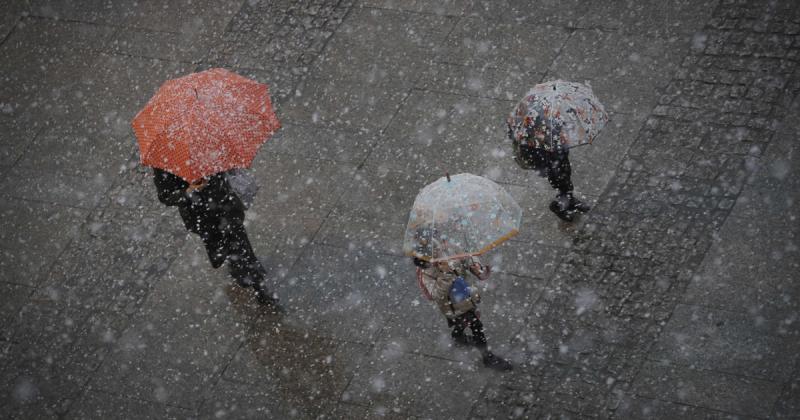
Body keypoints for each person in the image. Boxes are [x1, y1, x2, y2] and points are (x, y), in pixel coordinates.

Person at [153, 168, 277, 305]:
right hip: (201, 216)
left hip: (224, 203)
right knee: (223, 246)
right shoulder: (165, 166)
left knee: (241, 244)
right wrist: (189, 191)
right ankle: (237, 266)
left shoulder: (204, 147)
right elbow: (165, 195)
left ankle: (259, 284)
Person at [414, 256, 512, 370]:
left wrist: (475, 266)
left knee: (463, 321)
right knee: (476, 326)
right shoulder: (426, 274)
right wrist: (446, 273)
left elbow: (466, 256)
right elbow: (436, 295)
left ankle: (458, 336)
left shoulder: (446, 253)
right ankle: (488, 357)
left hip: (465, 296)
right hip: (453, 306)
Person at [508, 115, 591, 222]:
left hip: (554, 152)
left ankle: (568, 198)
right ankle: (561, 204)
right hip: (548, 156)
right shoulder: (529, 128)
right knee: (559, 177)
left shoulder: (543, 119)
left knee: (564, 175)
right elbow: (532, 153)